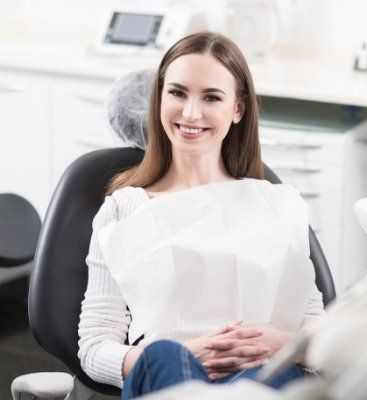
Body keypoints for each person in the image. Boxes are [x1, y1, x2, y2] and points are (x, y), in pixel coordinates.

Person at [78, 31, 325, 399]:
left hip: (263, 372)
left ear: (238, 109)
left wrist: (273, 344)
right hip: (167, 373)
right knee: (162, 356)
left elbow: (318, 332)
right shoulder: (123, 209)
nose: (191, 112)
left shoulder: (279, 205)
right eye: (177, 93)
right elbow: (94, 347)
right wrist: (186, 354)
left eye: (211, 97)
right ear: (159, 98)